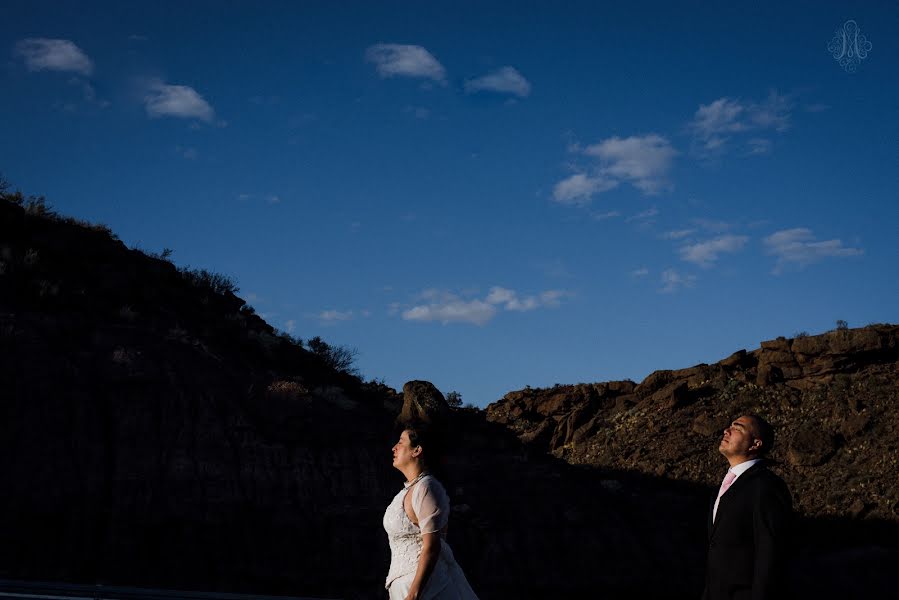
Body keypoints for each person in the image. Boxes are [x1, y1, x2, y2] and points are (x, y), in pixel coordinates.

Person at [383, 422, 479, 600]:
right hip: (401, 585)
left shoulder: (427, 487)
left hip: (425, 588)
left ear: (417, 450)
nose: (393, 448)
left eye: (401, 442)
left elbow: (433, 545)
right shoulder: (404, 492)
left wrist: (413, 594)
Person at [702, 414, 792, 600]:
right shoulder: (722, 488)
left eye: (737, 428)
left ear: (755, 444)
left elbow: (770, 552)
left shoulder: (766, 486)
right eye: (729, 426)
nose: (726, 430)